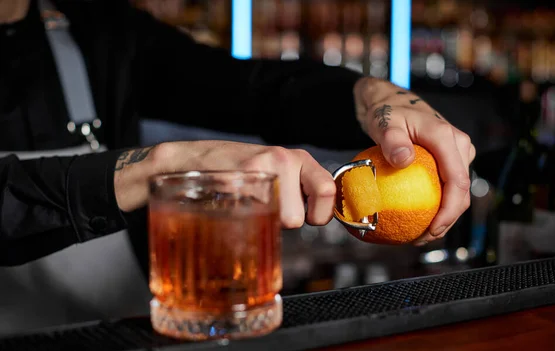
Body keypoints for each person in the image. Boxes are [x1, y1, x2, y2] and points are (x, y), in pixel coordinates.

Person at [0, 0, 474, 268]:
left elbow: (252, 89)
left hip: (120, 346)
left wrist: (369, 94)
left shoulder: (97, 29)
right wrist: (159, 170)